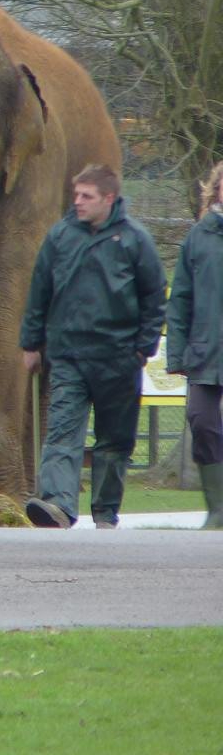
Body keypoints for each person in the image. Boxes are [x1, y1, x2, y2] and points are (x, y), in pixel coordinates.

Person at [20, 164, 166, 529]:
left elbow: (153, 299)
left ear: (109, 199)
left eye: (87, 196)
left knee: (114, 441)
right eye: (76, 195)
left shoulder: (135, 239)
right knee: (62, 432)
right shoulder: (60, 236)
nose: (78, 203)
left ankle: (104, 510)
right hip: (68, 354)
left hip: (119, 357)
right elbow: (39, 292)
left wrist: (142, 349)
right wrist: (31, 343)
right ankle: (58, 504)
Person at [166, 160, 223, 529]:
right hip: (207, 352)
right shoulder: (198, 238)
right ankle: (218, 509)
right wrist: (177, 354)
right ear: (216, 189)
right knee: (201, 422)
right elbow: (181, 300)